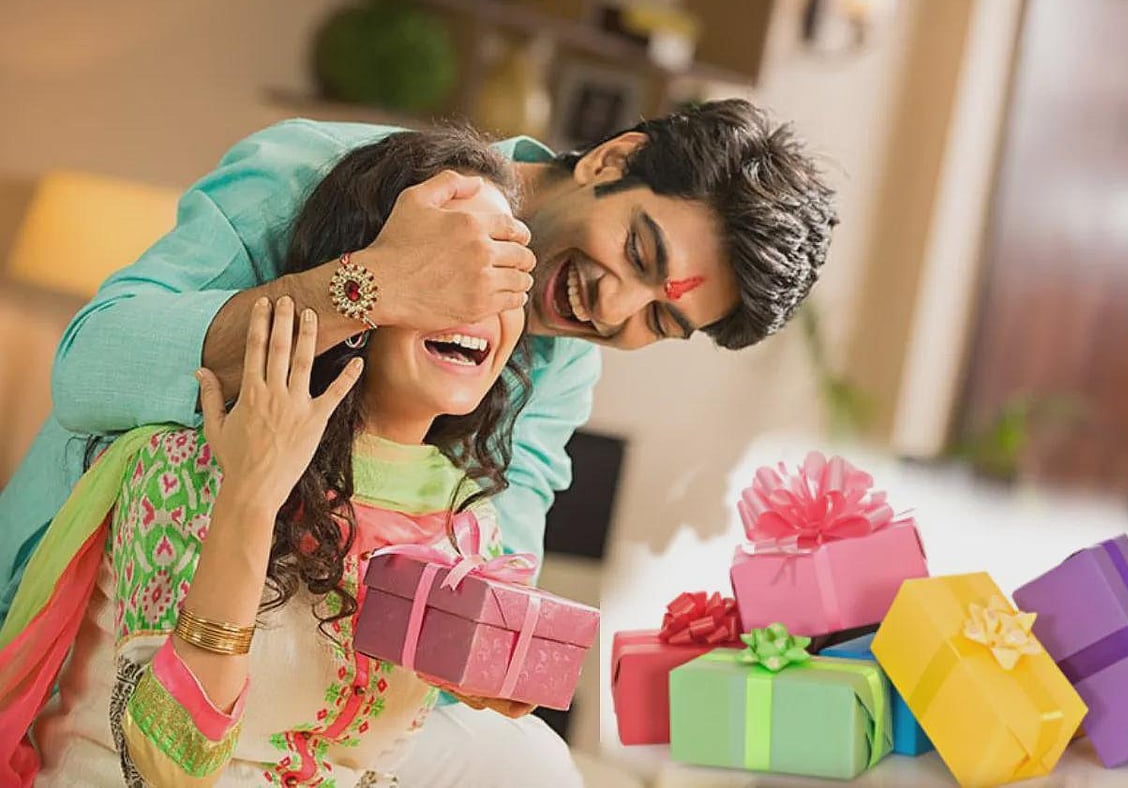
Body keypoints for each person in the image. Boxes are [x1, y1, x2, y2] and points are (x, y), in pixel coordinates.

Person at [0, 99, 838, 784]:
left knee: (531, 767)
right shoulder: (312, 170)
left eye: (661, 317)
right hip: (126, 627)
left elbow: (500, 564)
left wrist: (487, 655)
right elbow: (93, 368)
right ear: (612, 159)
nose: (613, 310)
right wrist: (374, 288)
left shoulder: (561, 365)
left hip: (320, 691)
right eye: (639, 252)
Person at [0, 129, 557, 787]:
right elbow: (164, 768)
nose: (474, 299)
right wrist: (252, 495)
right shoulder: (186, 463)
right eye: (447, 264)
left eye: (503, 272)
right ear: (371, 278)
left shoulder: (470, 522)